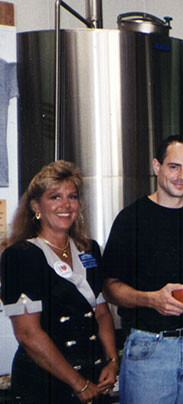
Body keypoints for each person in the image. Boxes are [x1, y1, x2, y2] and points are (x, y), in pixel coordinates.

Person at [102, 136, 183, 403]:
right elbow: (110, 287)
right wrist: (150, 300)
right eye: (174, 167)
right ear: (156, 166)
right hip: (150, 348)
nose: (182, 176)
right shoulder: (132, 219)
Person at [0, 160, 118, 404]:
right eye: (55, 197)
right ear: (36, 206)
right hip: (46, 386)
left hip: (92, 379)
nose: (65, 205)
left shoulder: (89, 250)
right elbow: (27, 333)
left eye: (72, 197)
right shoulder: (20, 256)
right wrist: (78, 383)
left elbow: (102, 311)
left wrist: (112, 361)